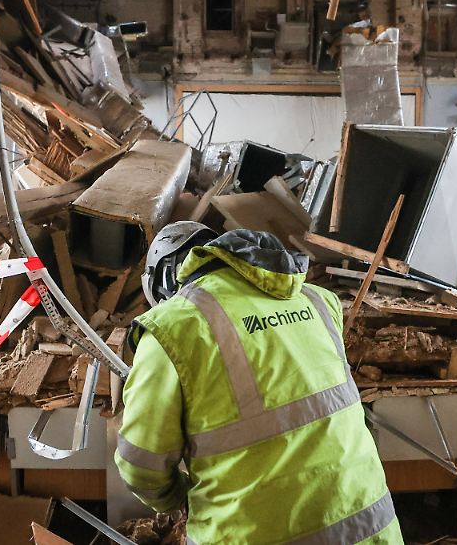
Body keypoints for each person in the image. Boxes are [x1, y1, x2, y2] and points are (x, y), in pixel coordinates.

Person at [115, 223, 403, 544]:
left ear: (164, 282)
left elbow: (140, 465)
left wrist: (179, 500)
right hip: (371, 527)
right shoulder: (317, 301)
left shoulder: (172, 328)